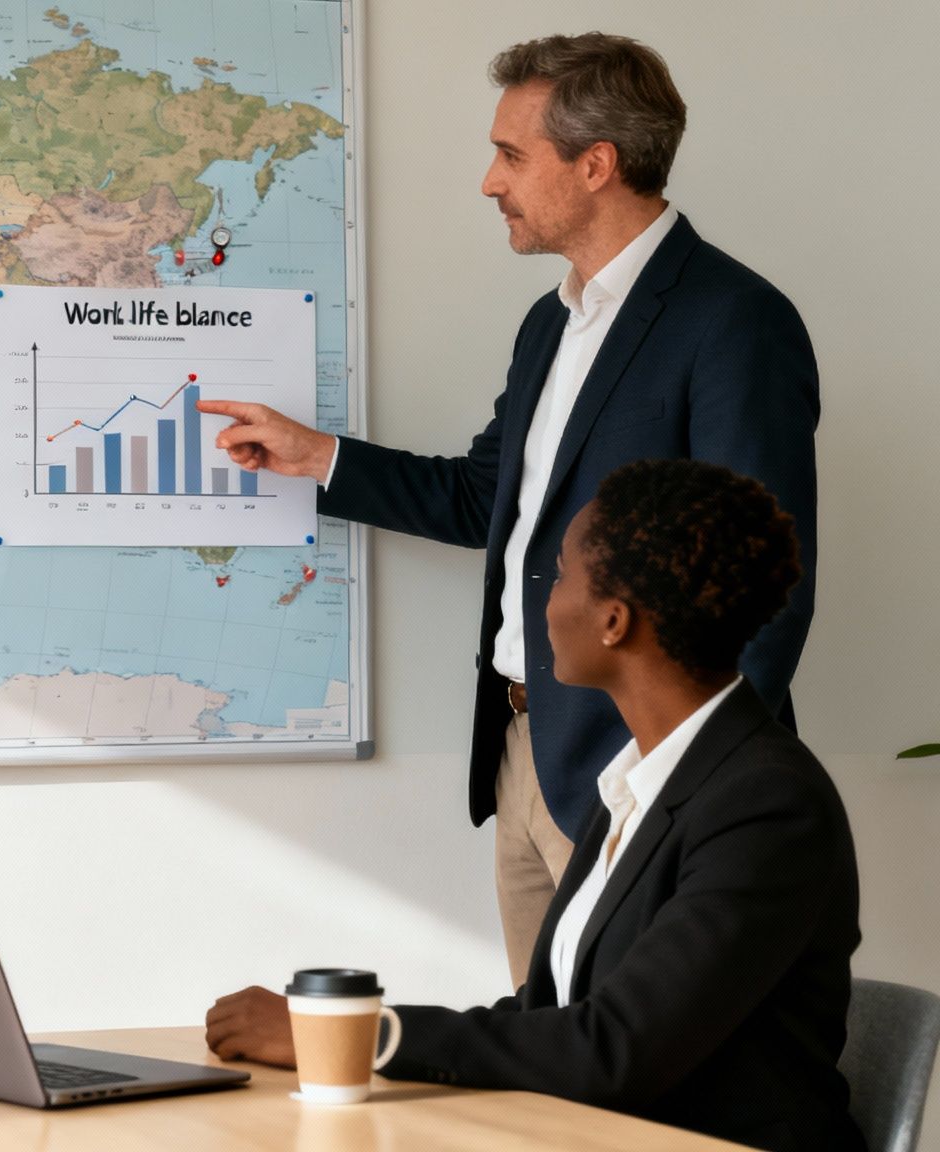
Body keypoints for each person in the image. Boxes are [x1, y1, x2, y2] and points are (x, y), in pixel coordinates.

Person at [197, 32, 819, 985]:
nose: (491, 181)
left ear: (596, 164)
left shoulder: (735, 322)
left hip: (636, 769)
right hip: (526, 753)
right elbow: (487, 500)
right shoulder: (550, 324)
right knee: (547, 1091)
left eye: (511, 154)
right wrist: (315, 454)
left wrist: (679, 790)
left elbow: (766, 586)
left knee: (635, 1097)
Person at [204, 460, 861, 1152]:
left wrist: (349, 1034)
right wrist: (365, 1040)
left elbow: (614, 1049)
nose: (541, 600)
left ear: (614, 620)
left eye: (560, 575)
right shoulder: (636, 782)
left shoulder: (766, 803)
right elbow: (550, 1013)